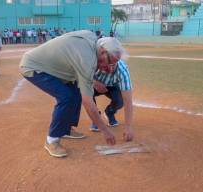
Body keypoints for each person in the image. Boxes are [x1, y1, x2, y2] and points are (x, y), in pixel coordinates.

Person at [19, 30, 129, 158]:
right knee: (67, 97)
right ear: (103, 51)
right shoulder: (87, 60)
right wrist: (105, 130)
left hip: (53, 68)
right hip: (34, 67)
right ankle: (52, 140)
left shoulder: (92, 39)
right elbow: (88, 103)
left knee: (75, 91)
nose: (109, 67)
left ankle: (65, 129)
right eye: (110, 61)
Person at [89, 59, 133, 141]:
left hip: (112, 85)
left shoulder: (122, 70)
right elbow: (80, 74)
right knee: (85, 92)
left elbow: (128, 100)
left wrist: (128, 127)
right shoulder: (92, 60)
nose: (111, 69)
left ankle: (109, 112)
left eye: (114, 65)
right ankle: (96, 118)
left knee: (121, 99)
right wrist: (94, 82)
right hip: (92, 84)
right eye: (108, 65)